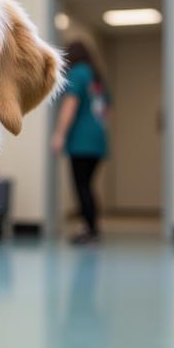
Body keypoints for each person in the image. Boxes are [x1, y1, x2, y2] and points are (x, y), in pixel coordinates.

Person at [51, 40, 110, 244]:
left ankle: (90, 230)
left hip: (81, 141)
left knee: (81, 185)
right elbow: (106, 110)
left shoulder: (77, 73)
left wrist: (59, 134)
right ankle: (91, 227)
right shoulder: (95, 78)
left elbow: (70, 105)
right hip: (98, 139)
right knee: (88, 185)